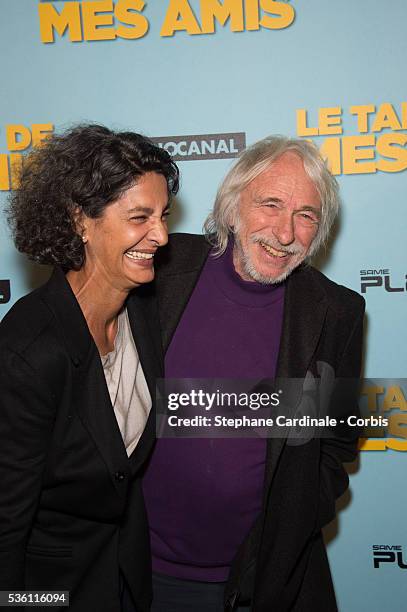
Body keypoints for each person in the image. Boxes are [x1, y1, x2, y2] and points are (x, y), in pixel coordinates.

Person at [142, 136, 365, 611]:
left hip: (259, 583)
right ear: (231, 206)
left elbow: (338, 445)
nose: (285, 233)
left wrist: (295, 520)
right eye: (271, 204)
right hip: (135, 571)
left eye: (306, 215)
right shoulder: (156, 270)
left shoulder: (337, 312)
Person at [0, 124, 179, 611]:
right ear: (81, 221)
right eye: (140, 216)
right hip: (51, 587)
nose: (161, 236)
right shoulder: (28, 350)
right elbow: (7, 521)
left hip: (127, 574)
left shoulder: (143, 308)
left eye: (163, 215)